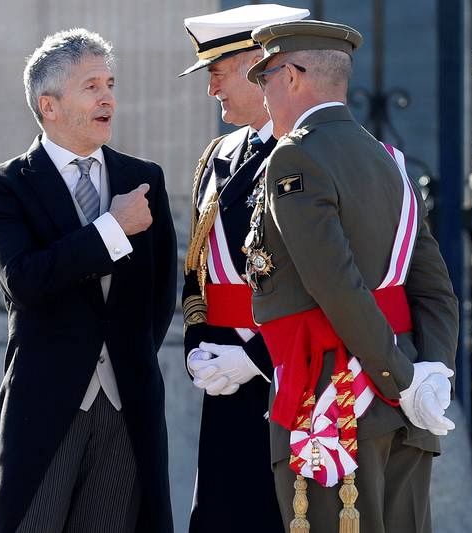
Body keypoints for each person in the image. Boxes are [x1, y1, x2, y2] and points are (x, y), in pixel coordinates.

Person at [242, 20, 460, 533]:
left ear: (293, 76)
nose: (263, 94)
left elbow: (335, 284)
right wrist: (432, 377)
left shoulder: (294, 156)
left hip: (336, 401)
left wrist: (401, 381)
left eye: (265, 78)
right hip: (405, 409)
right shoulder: (391, 161)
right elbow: (436, 290)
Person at [0, 29, 176, 533]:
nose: (108, 96)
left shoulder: (143, 177)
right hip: (47, 405)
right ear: (49, 105)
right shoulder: (2, 187)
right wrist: (111, 229)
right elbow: (23, 279)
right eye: (91, 86)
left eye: (110, 83)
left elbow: (160, 295)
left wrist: (128, 358)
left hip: (127, 404)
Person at [177, 4, 308, 532]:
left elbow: (326, 282)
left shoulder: (308, 152)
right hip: (224, 381)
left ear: (259, 65)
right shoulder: (218, 154)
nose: (212, 90)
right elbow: (197, 266)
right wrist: (197, 344)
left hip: (291, 374)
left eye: (217, 73)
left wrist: (255, 355)